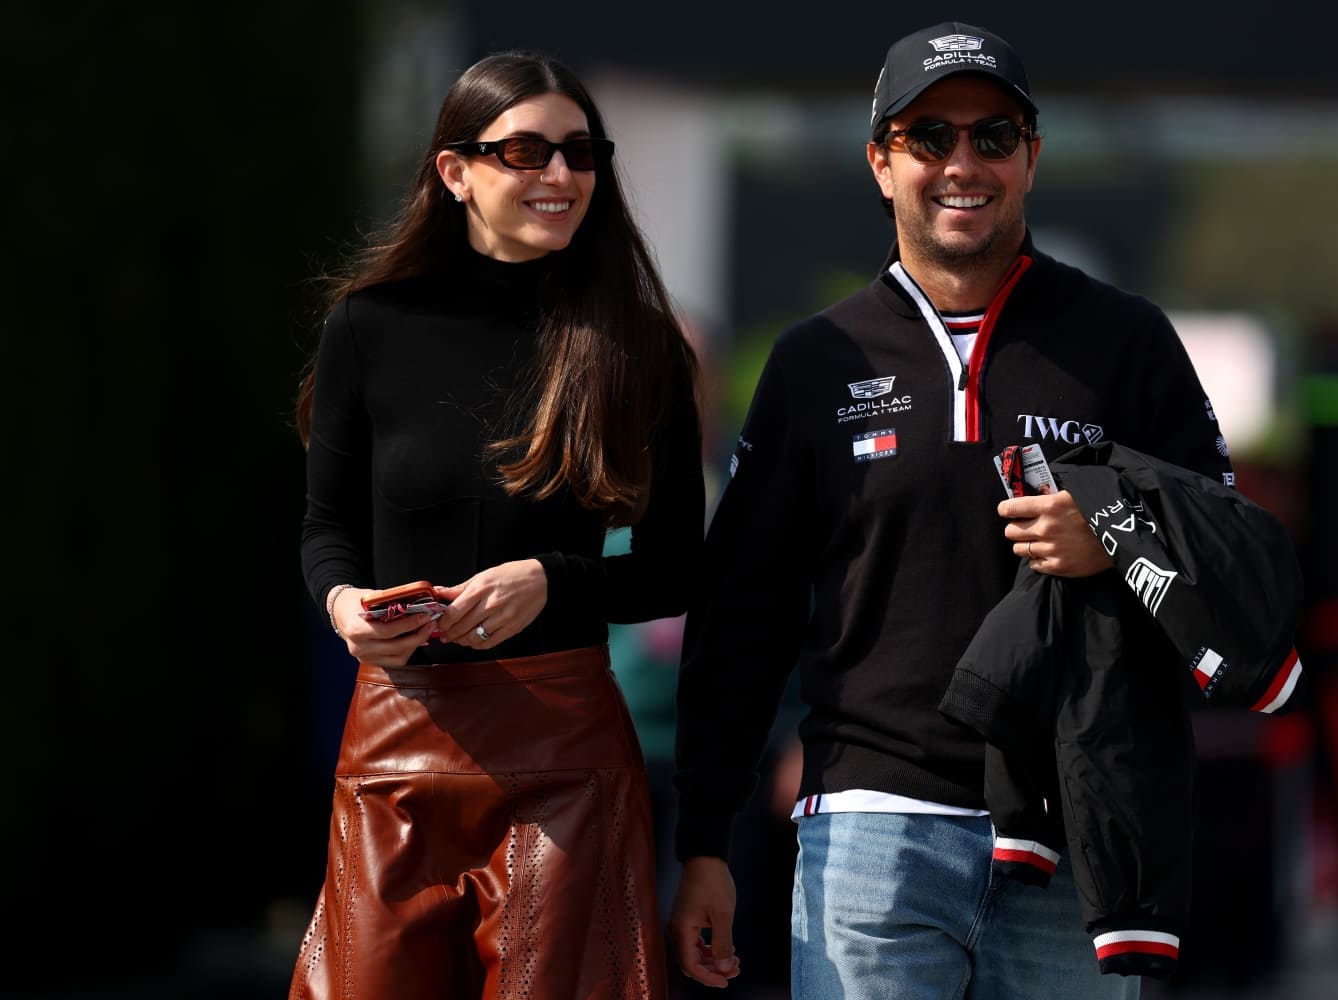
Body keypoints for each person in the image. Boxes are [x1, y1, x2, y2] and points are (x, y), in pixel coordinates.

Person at [669, 20, 1233, 998]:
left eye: (993, 136)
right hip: (870, 830)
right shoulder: (815, 361)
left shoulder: (1128, 340)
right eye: (930, 136)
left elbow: (1227, 550)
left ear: (1032, 159)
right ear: (881, 163)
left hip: (1073, 835)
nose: (962, 164)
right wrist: (704, 840)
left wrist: (1115, 537)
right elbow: (742, 616)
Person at [289, 49, 707, 999]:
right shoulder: (367, 326)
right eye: (526, 152)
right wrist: (345, 604)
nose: (560, 175)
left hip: (562, 749)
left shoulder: (637, 343)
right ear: (455, 171)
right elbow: (326, 526)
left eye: (580, 153)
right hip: (395, 737)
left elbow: (677, 566)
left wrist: (553, 579)